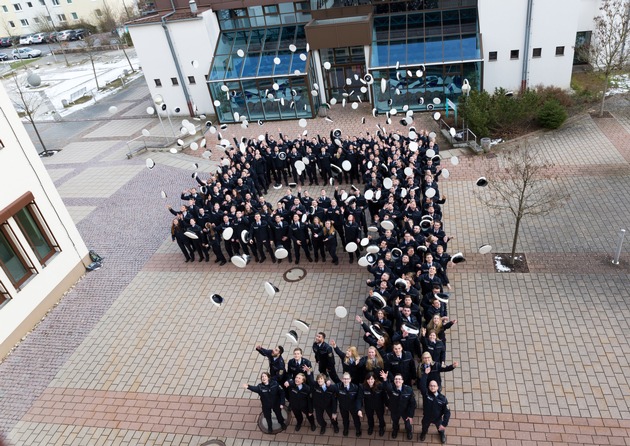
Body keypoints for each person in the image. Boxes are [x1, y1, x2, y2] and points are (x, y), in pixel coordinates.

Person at [380, 371, 416, 440]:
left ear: (402, 381)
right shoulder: (391, 388)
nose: (397, 380)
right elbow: (386, 387)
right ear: (394, 381)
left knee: (408, 424)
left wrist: (410, 415)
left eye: (399, 379)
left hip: (405, 411)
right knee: (395, 422)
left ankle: (409, 431)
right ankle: (395, 430)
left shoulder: (409, 390)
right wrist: (385, 380)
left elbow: (412, 403)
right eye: (396, 379)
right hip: (394, 410)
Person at [418, 368, 451, 443]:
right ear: (429, 387)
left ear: (438, 387)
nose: (432, 387)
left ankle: (441, 434)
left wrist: (444, 424)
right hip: (427, 417)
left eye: (434, 386)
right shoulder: (426, 394)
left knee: (440, 428)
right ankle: (424, 433)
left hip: (438, 418)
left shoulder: (443, 399)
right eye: (431, 385)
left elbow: (447, 412)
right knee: (424, 427)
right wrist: (425, 374)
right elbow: (422, 385)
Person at [306, 370, 339, 434]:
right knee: (319, 419)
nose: (319, 380)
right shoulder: (315, 385)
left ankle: (335, 425)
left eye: (321, 379)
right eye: (318, 379)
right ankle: (323, 425)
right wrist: (308, 372)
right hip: (318, 406)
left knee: (333, 417)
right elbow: (310, 380)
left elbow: (334, 400)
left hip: (328, 405)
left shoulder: (330, 388)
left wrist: (334, 412)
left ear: (325, 380)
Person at [333, 372, 363, 437]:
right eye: (344, 379)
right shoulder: (338, 387)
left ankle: (358, 429)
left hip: (353, 407)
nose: (346, 380)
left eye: (347, 379)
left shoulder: (355, 388)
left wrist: (359, 409)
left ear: (350, 379)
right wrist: (328, 384)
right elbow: (331, 389)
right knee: (345, 419)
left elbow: (359, 398)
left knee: (356, 419)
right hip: (343, 407)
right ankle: (346, 428)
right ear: (342, 379)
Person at [361, 371, 387, 436]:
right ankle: (371, 426)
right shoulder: (363, 387)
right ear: (366, 380)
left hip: (379, 405)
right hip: (368, 406)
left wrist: (387, 404)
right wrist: (359, 408)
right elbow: (359, 398)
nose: (370, 381)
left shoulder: (380, 386)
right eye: (368, 379)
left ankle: (381, 427)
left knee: (380, 417)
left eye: (372, 379)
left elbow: (384, 396)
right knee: (369, 417)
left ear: (375, 379)